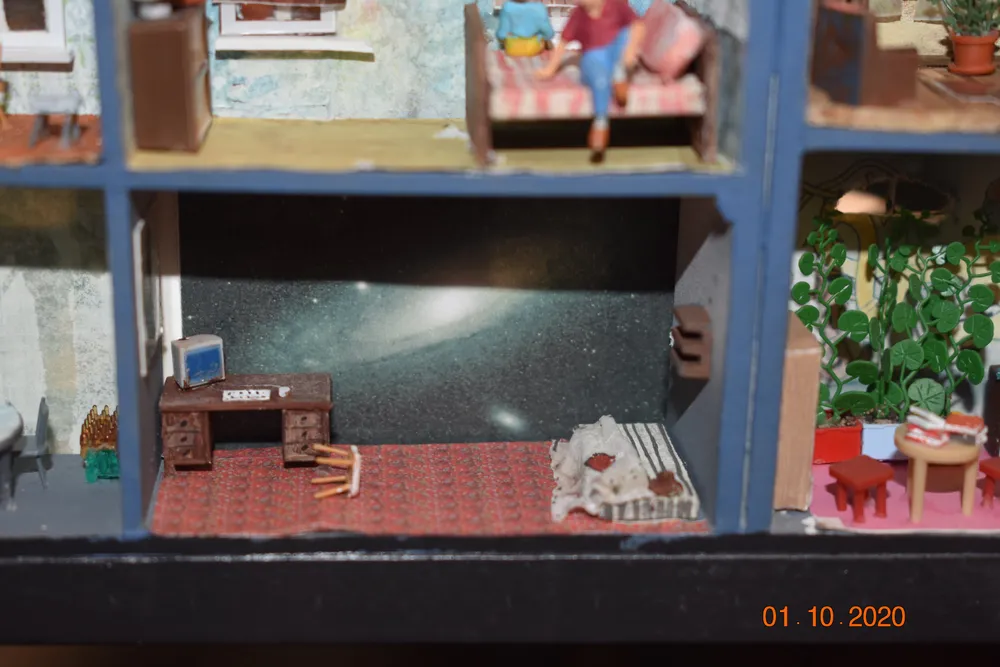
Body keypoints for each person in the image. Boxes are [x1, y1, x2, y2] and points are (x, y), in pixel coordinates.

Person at [535, 0, 645, 160]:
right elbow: (563, 43)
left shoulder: (617, 5)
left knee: (624, 34)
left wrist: (630, 51)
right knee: (600, 80)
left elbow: (638, 26)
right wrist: (550, 69)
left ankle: (618, 72)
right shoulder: (579, 15)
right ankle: (601, 122)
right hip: (593, 57)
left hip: (615, 52)